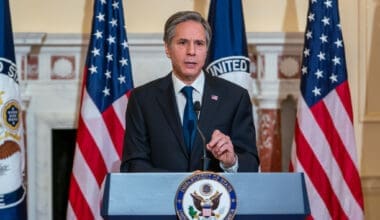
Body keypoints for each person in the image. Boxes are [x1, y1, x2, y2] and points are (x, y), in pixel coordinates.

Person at [120, 11, 259, 172]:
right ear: (167, 48)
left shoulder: (235, 97)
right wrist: (183, 184)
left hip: (215, 196)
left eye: (199, 43)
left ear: (207, 49)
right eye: (182, 42)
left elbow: (251, 163)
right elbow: (133, 164)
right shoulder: (142, 99)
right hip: (162, 196)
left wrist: (231, 161)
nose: (191, 51)